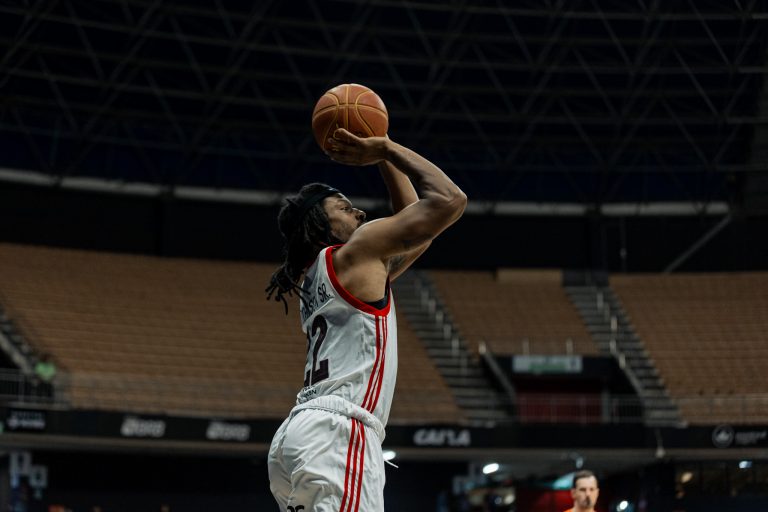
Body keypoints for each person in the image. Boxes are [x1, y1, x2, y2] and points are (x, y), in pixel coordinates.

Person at [265, 127, 467, 512]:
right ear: (318, 223)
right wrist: (387, 148)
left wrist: (384, 158)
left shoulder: (323, 274)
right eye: (343, 207)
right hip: (338, 431)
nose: (358, 212)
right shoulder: (355, 253)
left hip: (298, 435)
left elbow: (418, 231)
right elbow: (449, 200)